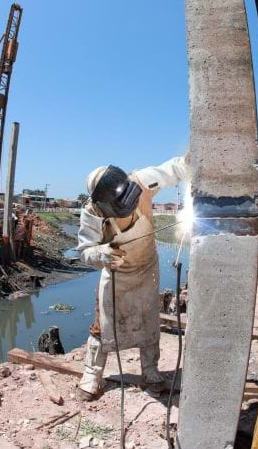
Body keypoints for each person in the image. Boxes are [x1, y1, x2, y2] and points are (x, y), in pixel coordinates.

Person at [76, 156, 187, 400]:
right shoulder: (92, 213)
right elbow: (84, 252)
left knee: (149, 318)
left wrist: (191, 160)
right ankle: (92, 375)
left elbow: (174, 169)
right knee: (102, 324)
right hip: (118, 275)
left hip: (147, 269)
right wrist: (102, 253)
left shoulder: (141, 182)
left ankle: (150, 371)